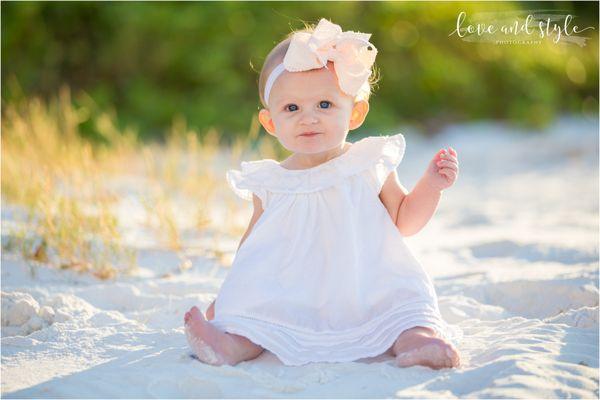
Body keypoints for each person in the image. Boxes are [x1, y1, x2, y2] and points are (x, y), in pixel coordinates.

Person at [184, 18, 462, 369]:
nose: (308, 118)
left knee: (403, 313)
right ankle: (230, 345)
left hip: (367, 284)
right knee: (255, 319)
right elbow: (253, 248)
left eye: (325, 105)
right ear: (270, 123)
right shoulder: (272, 182)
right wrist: (230, 297)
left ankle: (420, 343)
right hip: (294, 292)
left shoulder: (367, 163)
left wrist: (431, 186)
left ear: (356, 112)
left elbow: (404, 220)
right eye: (291, 108)